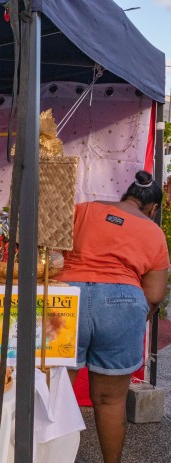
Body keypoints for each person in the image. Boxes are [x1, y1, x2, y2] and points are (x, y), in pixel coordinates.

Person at [57, 170, 169, 463]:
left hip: (68, 299)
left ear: (126, 195)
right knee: (110, 400)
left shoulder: (84, 210)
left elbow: (51, 253)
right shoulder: (154, 232)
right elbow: (155, 295)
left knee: (55, 394)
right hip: (123, 300)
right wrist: (128, 316)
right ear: (153, 208)